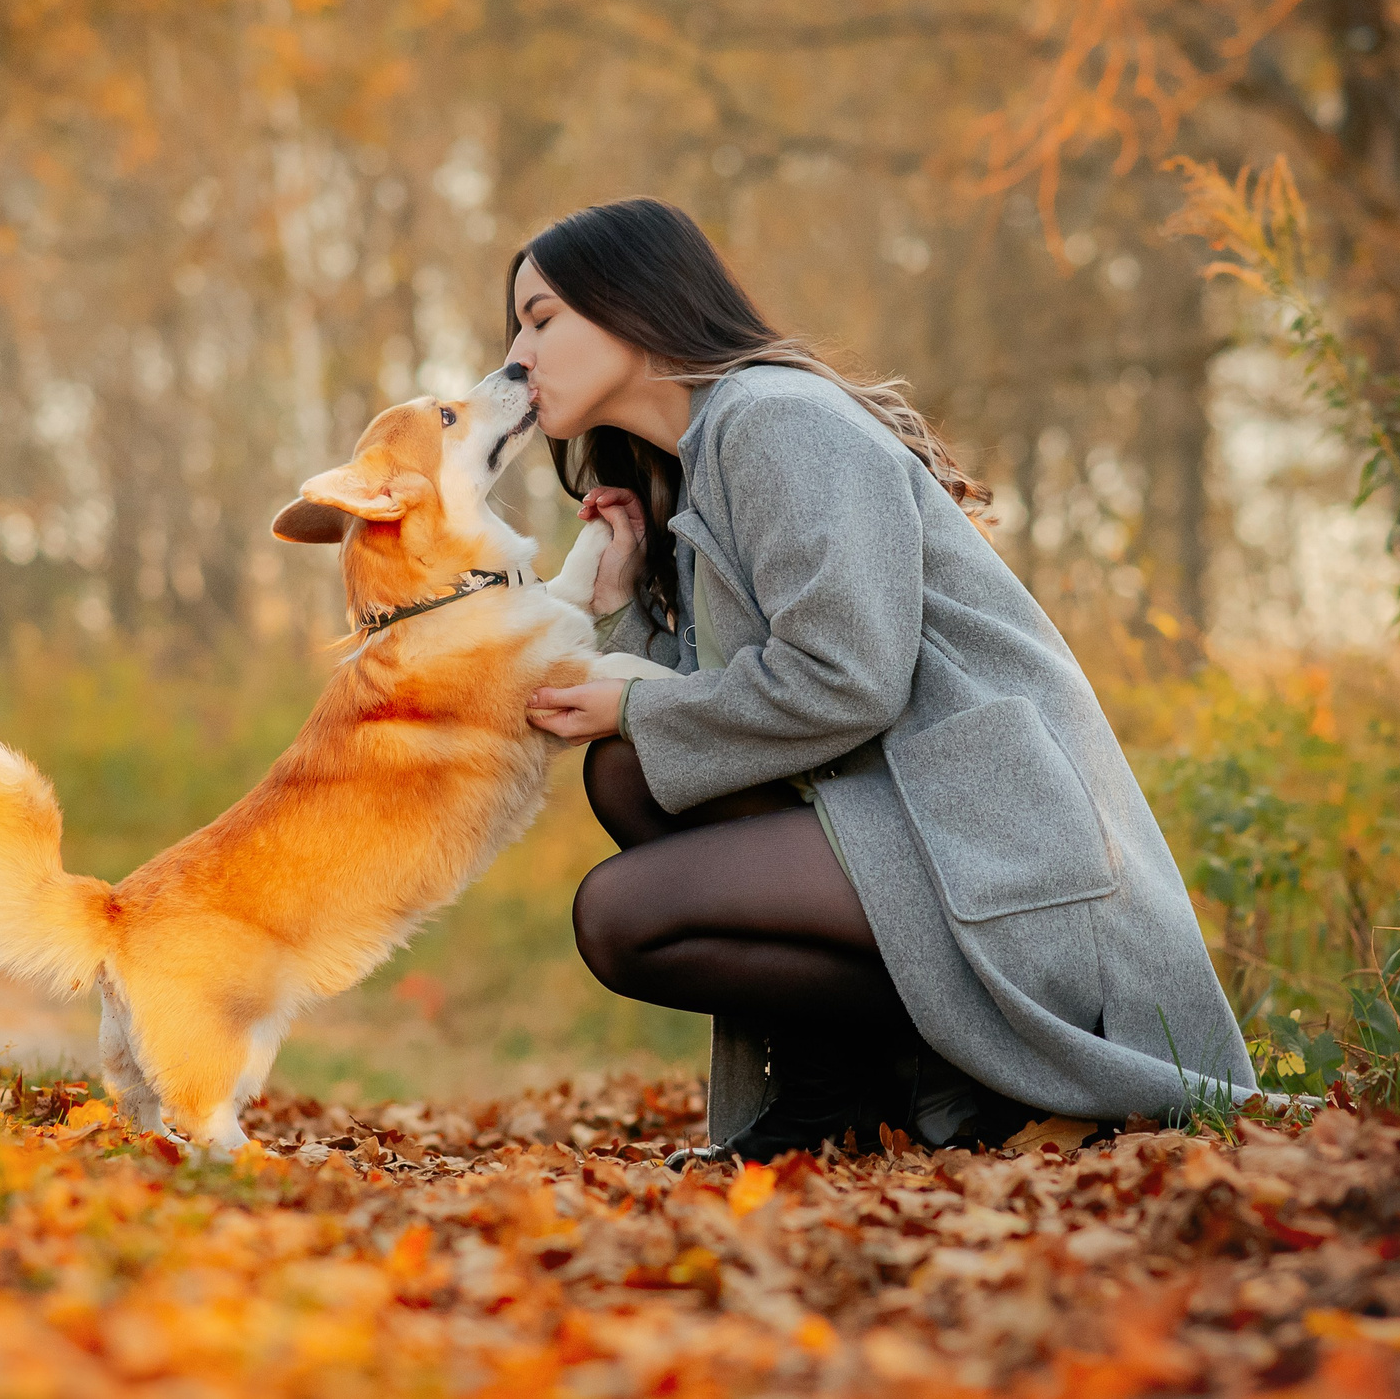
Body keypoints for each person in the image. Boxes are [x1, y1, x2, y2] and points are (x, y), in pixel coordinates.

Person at [509, 196, 1256, 1163]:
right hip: (904, 812)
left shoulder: (777, 421)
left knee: (622, 913)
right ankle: (844, 1094)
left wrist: (634, 701)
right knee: (630, 767)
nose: (517, 357)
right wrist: (621, 612)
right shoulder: (704, 456)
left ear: (632, 300)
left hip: (995, 836)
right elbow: (726, 720)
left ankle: (938, 1072)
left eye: (541, 321)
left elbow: (847, 682)